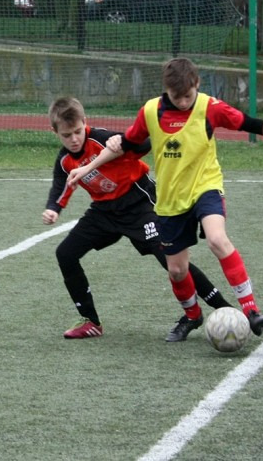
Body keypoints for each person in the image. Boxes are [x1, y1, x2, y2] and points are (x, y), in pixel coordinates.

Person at [68, 58, 263, 337]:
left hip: (205, 186)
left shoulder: (209, 107)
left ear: (197, 84)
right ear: (166, 89)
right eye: (176, 96)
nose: (183, 102)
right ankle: (192, 316)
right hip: (170, 199)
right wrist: (88, 167)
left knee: (217, 239)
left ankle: (251, 310)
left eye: (188, 95)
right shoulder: (150, 111)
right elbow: (126, 144)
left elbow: (249, 123)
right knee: (177, 270)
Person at [44, 96, 233, 341]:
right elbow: (60, 186)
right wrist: (53, 209)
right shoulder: (64, 160)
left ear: (85, 122)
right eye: (66, 135)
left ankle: (224, 308)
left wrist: (122, 141)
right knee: (65, 254)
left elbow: (144, 143)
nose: (74, 139)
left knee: (170, 259)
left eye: (78, 131)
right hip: (104, 212)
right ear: (55, 132)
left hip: (140, 203)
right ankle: (91, 321)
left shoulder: (101, 139)